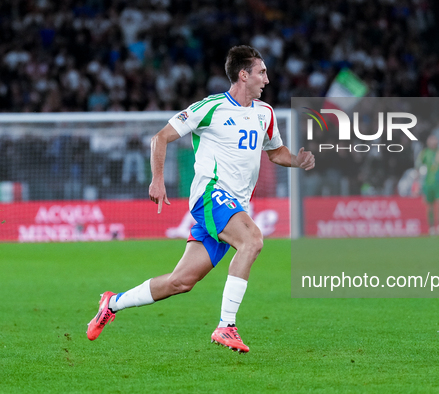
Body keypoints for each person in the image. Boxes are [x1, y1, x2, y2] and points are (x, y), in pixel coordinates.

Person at [86, 46, 315, 353]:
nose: (267, 79)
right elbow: (161, 137)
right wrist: (157, 179)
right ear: (243, 75)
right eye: (261, 72)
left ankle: (112, 303)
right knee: (252, 241)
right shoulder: (211, 107)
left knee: (181, 282)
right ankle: (226, 326)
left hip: (235, 205)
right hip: (211, 195)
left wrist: (297, 161)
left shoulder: (266, 113)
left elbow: (275, 153)